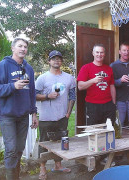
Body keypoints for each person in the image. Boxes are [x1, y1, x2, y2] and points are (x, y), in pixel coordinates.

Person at [0, 38, 38, 180]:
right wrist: (13, 86)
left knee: (19, 149)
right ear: (13, 48)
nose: (23, 49)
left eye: (25, 47)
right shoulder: (2, 66)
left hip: (23, 115)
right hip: (7, 115)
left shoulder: (29, 68)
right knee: (11, 149)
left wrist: (34, 113)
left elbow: (32, 92)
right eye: (20, 46)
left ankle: (16, 177)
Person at [35, 50, 76, 179]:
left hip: (62, 117)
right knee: (44, 143)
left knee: (60, 142)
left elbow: (72, 96)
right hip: (46, 117)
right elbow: (34, 96)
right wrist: (47, 96)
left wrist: (68, 112)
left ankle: (58, 165)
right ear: (49, 61)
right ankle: (42, 168)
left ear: (61, 61)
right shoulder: (42, 78)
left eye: (59, 58)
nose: (56, 60)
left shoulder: (69, 78)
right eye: (54, 59)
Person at [77, 44, 116, 125]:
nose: (99, 54)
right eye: (97, 52)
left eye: (101, 52)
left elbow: (112, 86)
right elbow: (80, 86)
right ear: (93, 53)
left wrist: (113, 103)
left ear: (104, 54)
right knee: (93, 131)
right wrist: (93, 81)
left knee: (108, 130)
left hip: (108, 104)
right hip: (92, 105)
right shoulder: (86, 68)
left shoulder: (109, 69)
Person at [110, 42, 129, 126]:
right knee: (119, 124)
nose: (126, 52)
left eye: (128, 50)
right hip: (120, 101)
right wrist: (120, 80)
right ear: (119, 52)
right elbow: (110, 83)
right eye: (124, 50)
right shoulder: (113, 66)